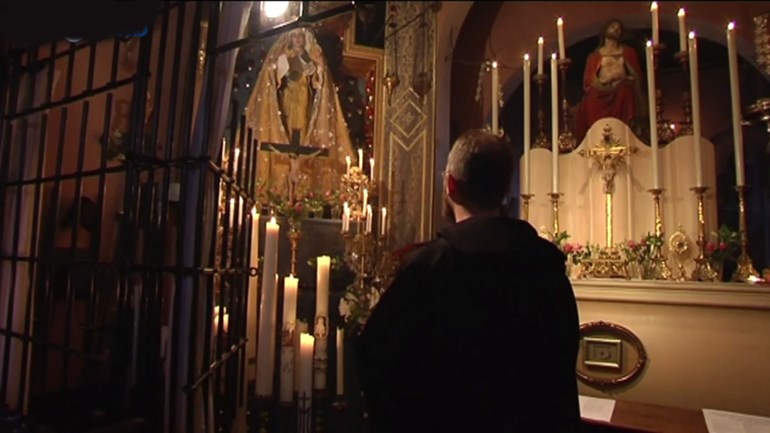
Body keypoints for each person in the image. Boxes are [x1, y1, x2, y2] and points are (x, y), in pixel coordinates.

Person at [355, 129, 581, 433]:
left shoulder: (429, 268)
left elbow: (379, 362)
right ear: (504, 189)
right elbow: (560, 371)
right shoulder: (546, 269)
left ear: (450, 184)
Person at [574, 19, 646, 144]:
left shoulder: (628, 52)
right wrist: (603, 83)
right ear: (605, 30)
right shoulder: (594, 56)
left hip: (621, 86)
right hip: (601, 88)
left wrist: (628, 79)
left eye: (619, 28)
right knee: (591, 97)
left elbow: (636, 76)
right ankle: (596, 134)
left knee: (626, 90)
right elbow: (589, 81)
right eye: (613, 26)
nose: (616, 29)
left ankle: (625, 131)